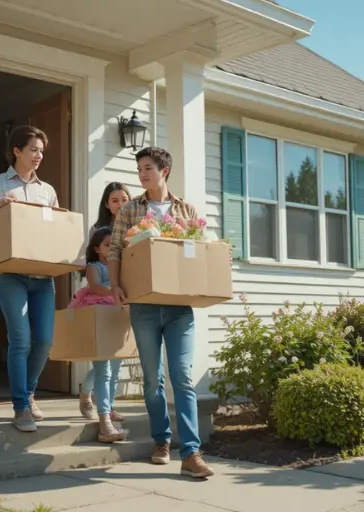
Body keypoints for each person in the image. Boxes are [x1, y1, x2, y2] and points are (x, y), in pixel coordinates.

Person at [107, 147, 217, 479]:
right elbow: (115, 250)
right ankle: (161, 440)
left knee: (182, 378)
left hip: (179, 308)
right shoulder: (129, 209)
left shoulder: (186, 209)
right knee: (152, 379)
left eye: (148, 168)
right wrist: (114, 286)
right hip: (143, 306)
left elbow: (198, 252)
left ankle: (192, 452)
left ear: (164, 170)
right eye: (139, 168)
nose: (142, 174)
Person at [0, 126, 58, 433]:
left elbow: (58, 227)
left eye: (41, 151)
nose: (38, 156)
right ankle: (20, 408)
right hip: (8, 275)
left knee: (43, 340)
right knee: (20, 338)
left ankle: (29, 392)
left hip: (42, 276)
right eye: (33, 149)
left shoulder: (47, 190)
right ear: (16, 150)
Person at [68, 227, 128, 443]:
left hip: (117, 315)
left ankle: (102, 403)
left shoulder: (120, 267)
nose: (111, 248)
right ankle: (105, 420)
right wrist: (114, 290)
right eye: (106, 244)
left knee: (115, 366)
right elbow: (93, 287)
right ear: (96, 248)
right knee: (104, 369)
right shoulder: (95, 266)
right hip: (99, 313)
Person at [78, 182, 132, 421]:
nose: (120, 204)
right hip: (102, 301)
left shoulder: (135, 227)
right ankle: (91, 397)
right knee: (103, 362)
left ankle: (107, 405)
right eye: (114, 200)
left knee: (116, 359)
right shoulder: (100, 230)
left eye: (124, 199)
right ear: (107, 204)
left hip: (124, 299)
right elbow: (94, 268)